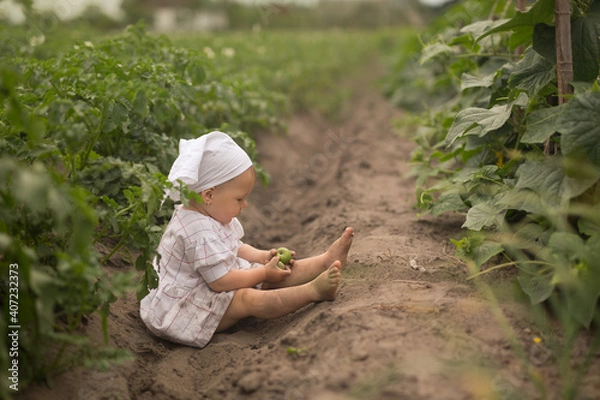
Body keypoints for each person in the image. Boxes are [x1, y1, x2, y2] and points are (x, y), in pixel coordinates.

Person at [140, 131, 354, 348]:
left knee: (269, 274)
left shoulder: (209, 212)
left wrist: (263, 257)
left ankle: (325, 261)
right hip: (187, 308)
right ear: (209, 195)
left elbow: (235, 246)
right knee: (247, 298)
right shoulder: (196, 232)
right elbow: (221, 282)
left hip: (209, 284)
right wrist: (263, 272)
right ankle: (313, 292)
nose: (245, 205)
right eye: (240, 198)